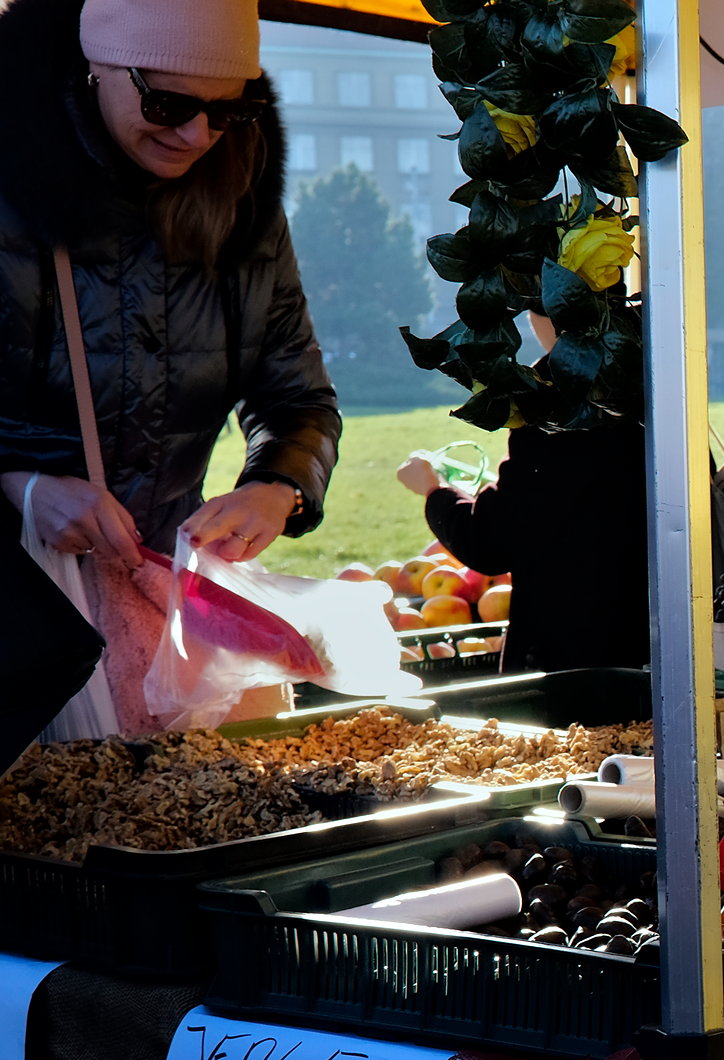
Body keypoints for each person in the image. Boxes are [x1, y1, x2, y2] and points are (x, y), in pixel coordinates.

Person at [0, 0, 339, 735]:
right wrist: (22, 486)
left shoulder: (242, 199)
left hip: (158, 618)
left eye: (228, 111)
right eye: (167, 103)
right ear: (98, 65)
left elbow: (297, 399)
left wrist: (276, 487)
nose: (197, 135)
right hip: (13, 637)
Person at [396, 318, 650, 673]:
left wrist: (433, 491)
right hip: (660, 640)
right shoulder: (656, 381)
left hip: (576, 661)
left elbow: (490, 542)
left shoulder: (552, 404)